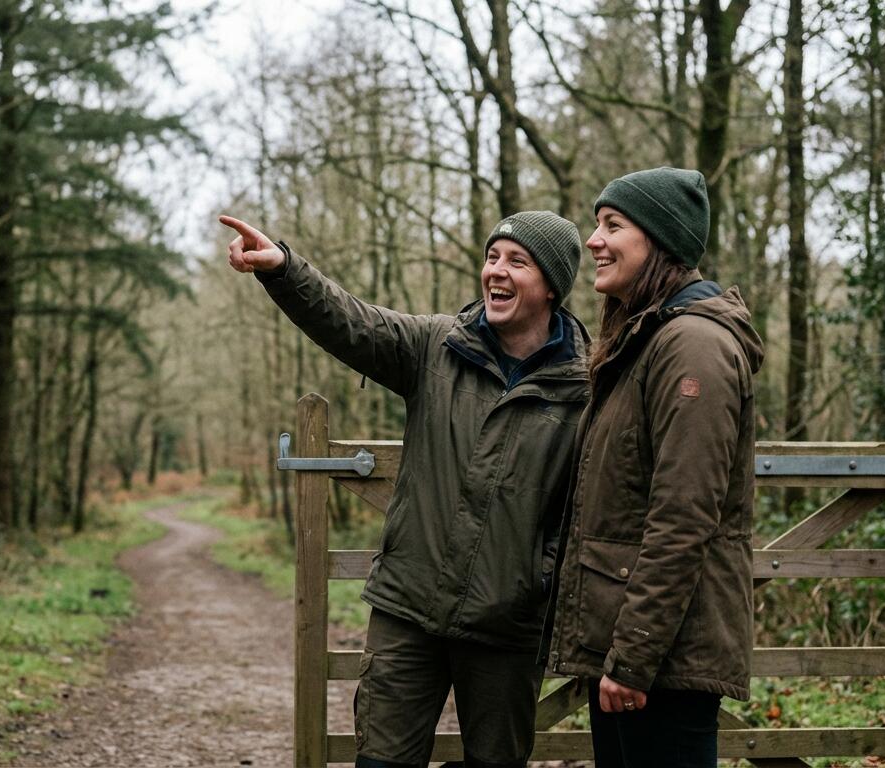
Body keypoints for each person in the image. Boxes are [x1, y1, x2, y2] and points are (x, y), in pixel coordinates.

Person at [220, 211, 588, 768]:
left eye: (518, 262)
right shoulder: (437, 345)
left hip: (509, 625)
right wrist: (283, 269)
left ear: (552, 286)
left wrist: (541, 577)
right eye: (492, 257)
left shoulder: (585, 387)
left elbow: (592, 507)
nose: (497, 271)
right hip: (408, 609)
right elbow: (351, 321)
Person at [541, 167, 764, 768]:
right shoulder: (648, 338)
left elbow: (683, 517)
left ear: (659, 240)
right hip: (636, 654)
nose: (594, 241)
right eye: (597, 225)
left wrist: (634, 656)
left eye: (613, 225)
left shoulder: (693, 345)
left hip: (662, 663)